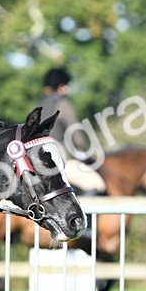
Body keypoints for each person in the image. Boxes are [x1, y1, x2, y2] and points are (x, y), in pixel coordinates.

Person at [37, 67, 105, 195]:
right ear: (61, 86)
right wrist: (92, 156)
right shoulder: (62, 104)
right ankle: (83, 215)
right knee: (97, 184)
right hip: (61, 161)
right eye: (66, 85)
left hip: (36, 163)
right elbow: (78, 139)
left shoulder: (37, 106)